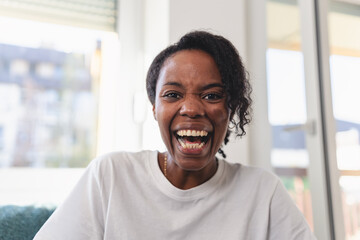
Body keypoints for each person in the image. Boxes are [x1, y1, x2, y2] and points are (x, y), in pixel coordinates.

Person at [35, 31, 316, 239]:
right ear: (155, 108)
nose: (192, 108)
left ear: (230, 109)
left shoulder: (262, 192)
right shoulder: (110, 176)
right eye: (172, 94)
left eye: (211, 95)